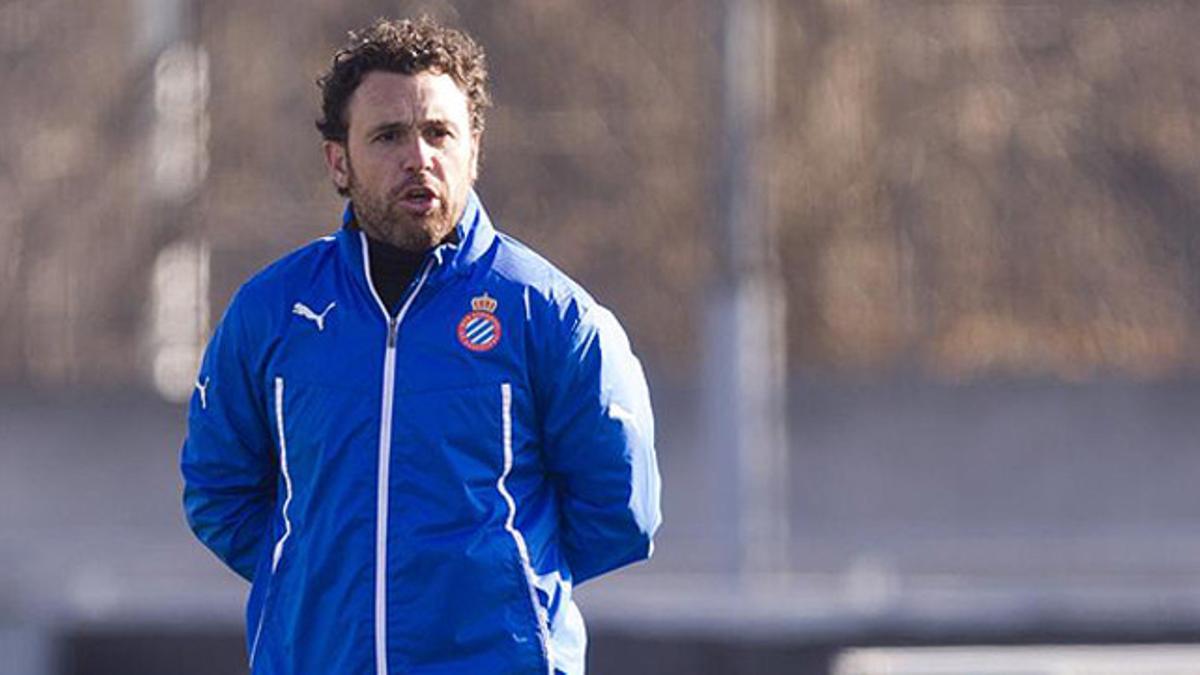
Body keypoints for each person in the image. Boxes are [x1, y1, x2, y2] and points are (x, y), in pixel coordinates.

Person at [180, 16, 662, 675]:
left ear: (473, 149)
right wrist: (316, 574)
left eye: (439, 132)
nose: (419, 157)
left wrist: (495, 588)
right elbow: (218, 490)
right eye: (388, 136)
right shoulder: (271, 313)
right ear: (338, 161)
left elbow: (621, 510)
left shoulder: (550, 314)